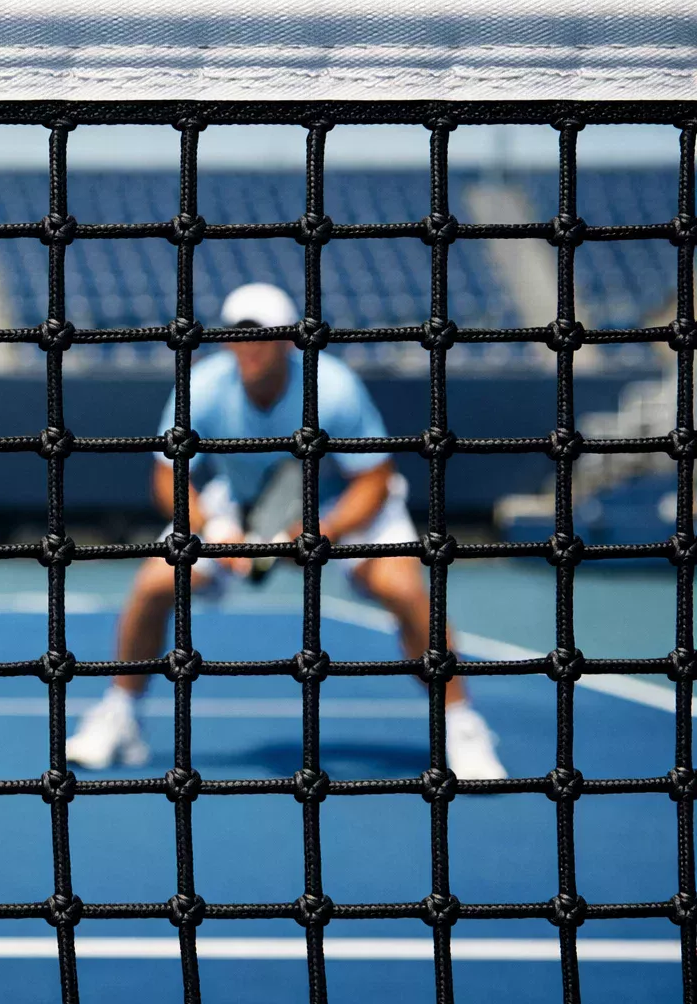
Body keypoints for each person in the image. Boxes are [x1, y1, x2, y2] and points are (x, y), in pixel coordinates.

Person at [65, 282, 507, 780]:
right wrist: (211, 531)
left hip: (338, 507)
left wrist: (323, 530)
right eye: (239, 334)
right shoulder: (202, 388)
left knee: (405, 592)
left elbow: (375, 480)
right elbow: (169, 476)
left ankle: (461, 724)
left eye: (263, 334)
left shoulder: (332, 387)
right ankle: (120, 717)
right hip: (240, 508)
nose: (249, 345)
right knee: (153, 585)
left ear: (288, 341)